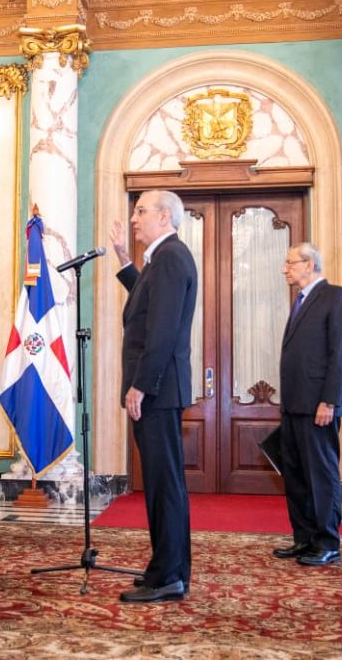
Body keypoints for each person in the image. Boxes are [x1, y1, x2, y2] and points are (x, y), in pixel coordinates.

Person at [109, 189, 197, 604]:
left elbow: (160, 331)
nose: (134, 218)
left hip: (157, 391)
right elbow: (147, 303)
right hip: (159, 389)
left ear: (164, 216)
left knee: (165, 485)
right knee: (164, 484)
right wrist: (125, 262)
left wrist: (140, 384)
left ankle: (169, 575)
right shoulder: (163, 259)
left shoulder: (171, 258)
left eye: (140, 211)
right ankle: (168, 569)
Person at [273, 243, 342, 567]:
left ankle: (327, 542)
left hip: (320, 406)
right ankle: (304, 538)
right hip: (295, 404)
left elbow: (341, 354)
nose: (285, 269)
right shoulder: (300, 301)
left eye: (290, 263)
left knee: (320, 475)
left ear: (309, 264)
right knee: (296, 476)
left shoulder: (337, 297)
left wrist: (330, 400)